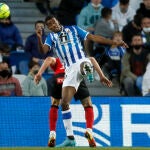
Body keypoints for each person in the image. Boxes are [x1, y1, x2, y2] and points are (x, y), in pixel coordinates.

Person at [37, 15, 127, 147]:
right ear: (48, 28)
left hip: (80, 61)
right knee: (65, 104)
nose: (53, 25)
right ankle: (79, 135)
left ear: (58, 21)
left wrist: (114, 43)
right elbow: (43, 51)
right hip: (69, 72)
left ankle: (88, 71)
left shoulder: (73, 29)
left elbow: (94, 38)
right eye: (49, 25)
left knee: (86, 61)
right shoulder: (51, 37)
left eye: (54, 22)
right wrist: (39, 38)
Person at [34, 56, 112, 147]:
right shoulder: (77, 58)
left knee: (55, 104)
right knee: (87, 104)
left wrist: (39, 73)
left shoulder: (58, 59)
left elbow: (48, 59)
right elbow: (92, 59)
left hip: (59, 78)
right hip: (76, 77)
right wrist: (102, 76)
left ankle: (54, 133)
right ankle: (89, 130)